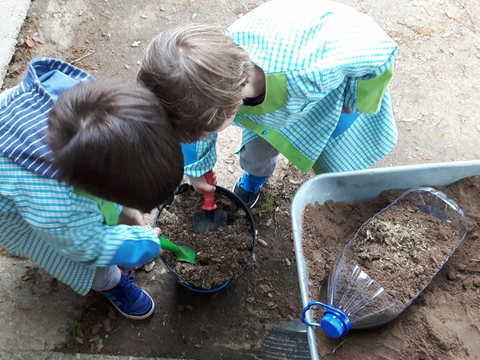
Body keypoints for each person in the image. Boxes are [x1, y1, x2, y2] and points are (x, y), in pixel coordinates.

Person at [137, 0, 399, 208]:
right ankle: (254, 179)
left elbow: (380, 50)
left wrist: (353, 101)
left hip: (324, 105)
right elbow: (194, 126)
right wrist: (198, 170)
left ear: (231, 105)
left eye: (205, 130)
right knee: (257, 151)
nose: (200, 136)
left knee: (333, 161)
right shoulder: (210, 78)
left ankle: (340, 196)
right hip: (267, 115)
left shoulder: (311, 72)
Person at [0, 57, 184, 320]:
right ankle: (112, 283)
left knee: (98, 218)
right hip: (17, 207)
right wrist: (143, 245)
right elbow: (85, 245)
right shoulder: (56, 205)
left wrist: (127, 210)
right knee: (89, 263)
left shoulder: (96, 106)